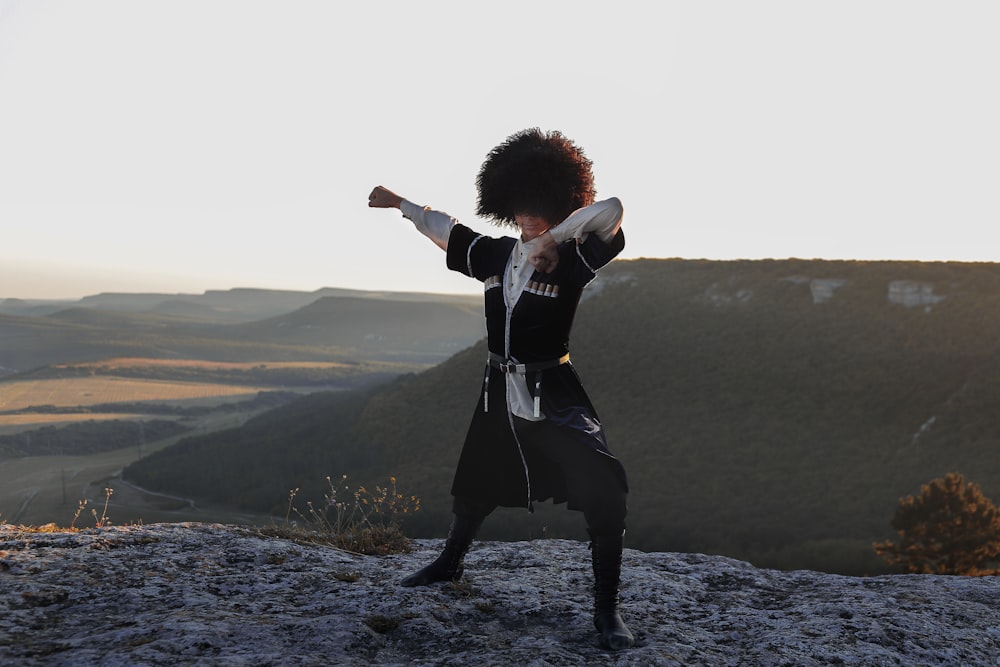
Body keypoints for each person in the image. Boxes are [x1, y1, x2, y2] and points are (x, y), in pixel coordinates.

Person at [368, 128, 633, 651]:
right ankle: (449, 564)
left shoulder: (575, 259)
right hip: (498, 387)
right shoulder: (493, 255)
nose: (530, 221)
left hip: (551, 388)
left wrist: (554, 242)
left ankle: (607, 611)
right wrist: (399, 202)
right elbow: (444, 228)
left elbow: (613, 209)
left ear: (558, 209)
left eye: (541, 213)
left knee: (602, 486)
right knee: (477, 481)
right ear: (510, 209)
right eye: (522, 212)